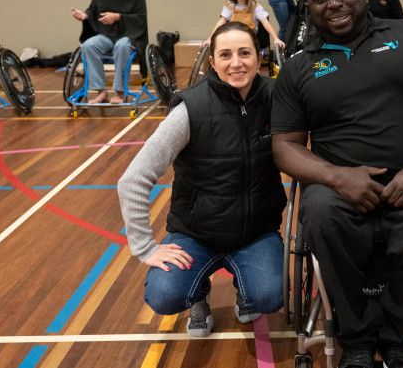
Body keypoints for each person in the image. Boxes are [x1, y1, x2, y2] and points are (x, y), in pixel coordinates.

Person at [271, 0, 403, 368]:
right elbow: (285, 147)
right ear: (308, 8)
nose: (334, 4)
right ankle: (357, 340)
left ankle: (397, 336)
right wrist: (336, 177)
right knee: (321, 218)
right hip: (336, 186)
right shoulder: (297, 67)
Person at [118, 21, 286, 338]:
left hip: (256, 233)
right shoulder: (190, 109)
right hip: (196, 235)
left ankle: (247, 291)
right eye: (225, 55)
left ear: (259, 56)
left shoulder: (277, 99)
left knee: (270, 296)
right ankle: (198, 296)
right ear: (212, 62)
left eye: (244, 53)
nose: (236, 63)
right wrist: (145, 248)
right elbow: (133, 179)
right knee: (165, 295)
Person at [70, 0, 147, 105]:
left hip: (128, 36)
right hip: (106, 35)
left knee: (121, 46)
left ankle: (119, 91)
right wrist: (85, 16)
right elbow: (92, 10)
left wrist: (118, 17)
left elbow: (140, 18)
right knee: (88, 45)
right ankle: (101, 91)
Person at [202, 0, 285, 50]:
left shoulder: (255, 6)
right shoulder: (230, 6)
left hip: (249, 39)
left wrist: (275, 38)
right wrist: (210, 39)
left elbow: (265, 22)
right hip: (233, 38)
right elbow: (220, 23)